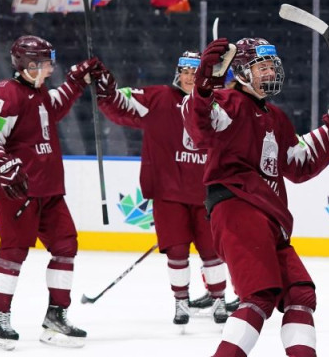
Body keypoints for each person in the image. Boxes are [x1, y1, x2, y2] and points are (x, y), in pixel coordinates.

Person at [181, 37, 329, 357]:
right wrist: (205, 84)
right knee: (259, 296)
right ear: (241, 71)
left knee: (300, 294)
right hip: (237, 205)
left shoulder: (275, 116)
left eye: (272, 65)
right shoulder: (226, 102)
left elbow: (300, 164)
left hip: (269, 217)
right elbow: (197, 124)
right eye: (262, 66)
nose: (270, 72)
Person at [0, 35, 104, 350]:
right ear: (27, 65)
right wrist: (5, 168)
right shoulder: (6, 94)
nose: (50, 69)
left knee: (65, 245)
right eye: (45, 63)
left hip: (49, 190)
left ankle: (56, 316)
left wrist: (78, 79)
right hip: (18, 191)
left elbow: (53, 106)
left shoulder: (39, 93)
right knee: (14, 253)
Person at [92, 51, 237, 328]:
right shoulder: (157, 98)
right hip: (168, 194)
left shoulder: (216, 104)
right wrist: (104, 85)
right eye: (185, 71)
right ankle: (181, 301)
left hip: (207, 194)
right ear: (177, 72)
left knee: (212, 252)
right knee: (177, 252)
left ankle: (218, 299)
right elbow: (116, 103)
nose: (190, 77)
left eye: (196, 73)